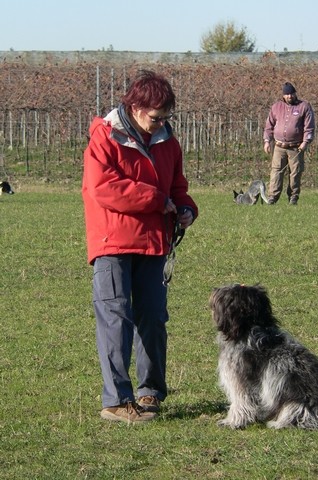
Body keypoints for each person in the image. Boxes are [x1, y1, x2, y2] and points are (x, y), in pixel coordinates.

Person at [82, 70, 198, 423]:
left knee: (153, 318)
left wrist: (186, 207)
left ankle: (150, 393)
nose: (160, 122)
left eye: (165, 116)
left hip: (154, 243)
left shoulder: (168, 141)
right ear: (135, 107)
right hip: (113, 241)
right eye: (155, 116)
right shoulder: (104, 137)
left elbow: (177, 184)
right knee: (116, 318)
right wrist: (155, 199)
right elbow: (103, 187)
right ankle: (116, 401)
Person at [263, 82, 315, 205]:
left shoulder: (304, 106)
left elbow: (309, 127)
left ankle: (293, 197)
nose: (289, 96)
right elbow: (269, 126)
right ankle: (273, 197)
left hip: (296, 147)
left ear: (295, 94)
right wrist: (266, 141)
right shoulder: (276, 107)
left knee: (295, 173)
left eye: (291, 94)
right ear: (283, 95)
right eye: (287, 94)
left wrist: (305, 142)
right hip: (279, 146)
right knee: (276, 172)